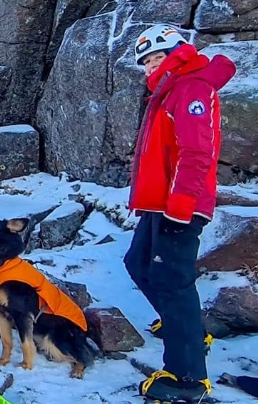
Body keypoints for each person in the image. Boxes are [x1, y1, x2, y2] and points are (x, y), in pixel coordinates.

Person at [124, 25, 236, 403]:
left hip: (179, 207)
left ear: (178, 53)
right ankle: (185, 328)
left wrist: (182, 208)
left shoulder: (190, 87)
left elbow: (197, 153)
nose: (150, 66)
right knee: (138, 263)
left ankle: (187, 378)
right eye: (146, 62)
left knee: (174, 283)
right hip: (160, 203)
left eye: (157, 57)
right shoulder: (169, 89)